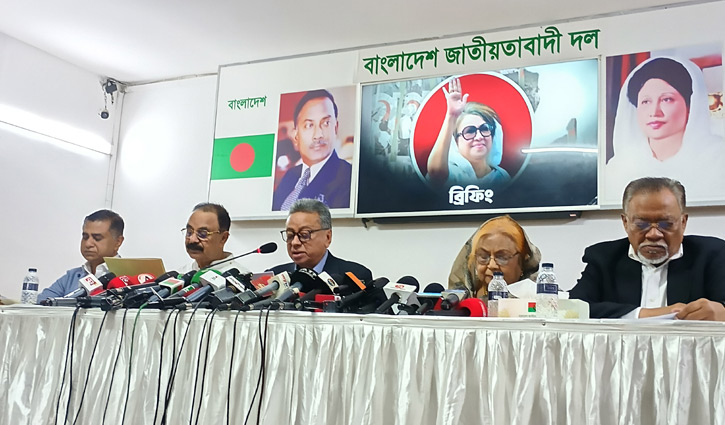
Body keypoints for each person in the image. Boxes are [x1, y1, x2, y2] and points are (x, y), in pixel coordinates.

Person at [570, 177, 725, 320]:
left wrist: (721, 312)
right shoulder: (604, 257)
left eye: (666, 224)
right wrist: (652, 314)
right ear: (625, 223)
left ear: (683, 222)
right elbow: (575, 308)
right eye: (641, 224)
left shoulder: (713, 255)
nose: (653, 234)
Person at [605, 56, 725, 204]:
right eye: (646, 101)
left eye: (666, 99)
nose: (654, 112)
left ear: (690, 105)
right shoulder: (619, 166)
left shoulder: (718, 159)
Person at [272, 89, 352, 211]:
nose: (318, 135)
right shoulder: (290, 175)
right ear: (296, 136)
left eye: (326, 123)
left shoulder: (347, 176)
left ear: (335, 128)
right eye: (309, 125)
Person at [426, 77, 511, 188]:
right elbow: (435, 173)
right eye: (470, 131)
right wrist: (451, 116)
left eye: (484, 129)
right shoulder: (452, 174)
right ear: (455, 141)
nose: (479, 137)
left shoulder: (502, 177)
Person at [269, 199, 372, 281]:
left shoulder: (355, 277)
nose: (295, 242)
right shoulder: (274, 278)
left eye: (304, 235)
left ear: (328, 237)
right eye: (290, 235)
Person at [37, 210, 125, 302]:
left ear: (118, 242)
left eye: (97, 238)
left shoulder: (128, 277)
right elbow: (41, 303)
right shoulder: (72, 277)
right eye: (85, 237)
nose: (88, 244)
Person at [448, 215, 541, 298]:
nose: (492, 265)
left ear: (523, 262)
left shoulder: (537, 301)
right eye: (483, 256)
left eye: (502, 257)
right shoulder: (459, 301)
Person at [179, 203, 250, 274]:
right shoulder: (181, 273)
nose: (192, 239)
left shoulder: (240, 276)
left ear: (223, 238)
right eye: (189, 232)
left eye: (202, 234)